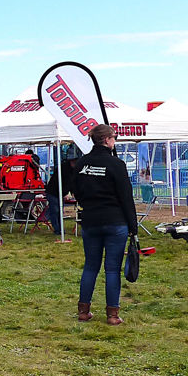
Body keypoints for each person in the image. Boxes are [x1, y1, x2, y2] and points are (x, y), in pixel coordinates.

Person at [72, 124, 137, 325]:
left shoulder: (82, 163)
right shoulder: (116, 164)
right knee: (112, 269)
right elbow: (126, 197)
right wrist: (133, 227)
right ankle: (112, 314)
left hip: (90, 219)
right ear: (108, 140)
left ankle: (83, 310)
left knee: (90, 266)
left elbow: (75, 190)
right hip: (115, 220)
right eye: (114, 138)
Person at [45, 154, 76, 236]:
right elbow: (62, 182)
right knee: (55, 211)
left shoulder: (72, 170)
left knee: (59, 211)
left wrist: (72, 192)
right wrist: (66, 193)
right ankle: (57, 230)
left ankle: (60, 229)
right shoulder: (63, 169)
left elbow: (71, 182)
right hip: (53, 192)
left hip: (59, 193)